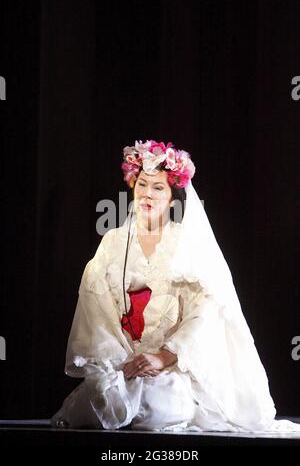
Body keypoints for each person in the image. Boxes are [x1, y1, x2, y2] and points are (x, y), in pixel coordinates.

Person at [52, 140, 300, 432]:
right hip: (125, 364)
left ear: (172, 197)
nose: (148, 194)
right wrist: (117, 364)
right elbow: (96, 311)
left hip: (171, 367)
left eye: (158, 188)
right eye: (142, 184)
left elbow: (205, 311)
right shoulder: (113, 243)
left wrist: (163, 357)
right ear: (132, 185)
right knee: (100, 405)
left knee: (159, 407)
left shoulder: (186, 244)